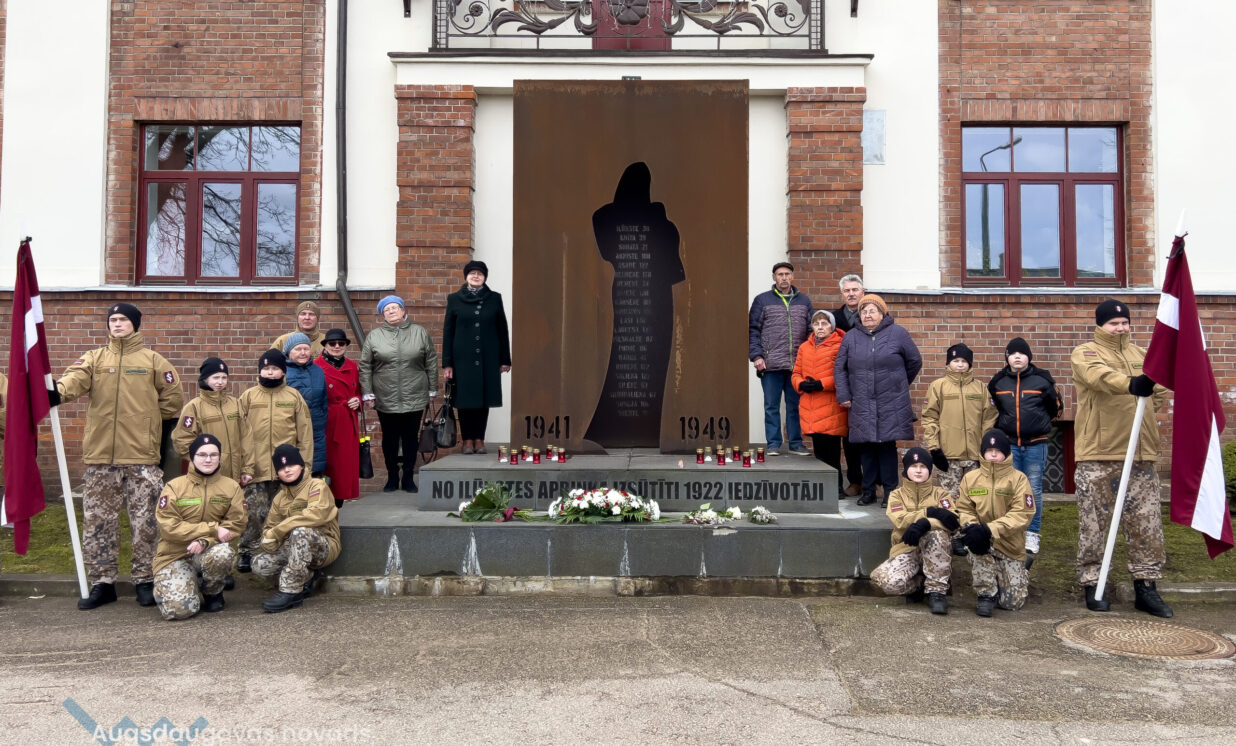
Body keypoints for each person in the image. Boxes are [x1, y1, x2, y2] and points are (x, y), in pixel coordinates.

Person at [54, 303, 184, 610]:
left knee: (146, 522)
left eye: (123, 319)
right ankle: (103, 582)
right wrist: (57, 392)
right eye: (112, 319)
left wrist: (147, 424)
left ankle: (145, 579)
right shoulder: (95, 358)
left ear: (135, 324)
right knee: (99, 521)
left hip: (141, 456)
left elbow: (172, 399)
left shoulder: (153, 361)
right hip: (101, 457)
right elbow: (74, 379)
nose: (117, 324)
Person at [1070, 299, 1172, 617]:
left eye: (1125, 322)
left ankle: (1146, 586)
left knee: (1146, 523)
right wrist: (1132, 384)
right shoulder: (1085, 352)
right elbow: (1098, 377)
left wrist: (1148, 398)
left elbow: (1160, 390)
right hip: (1099, 453)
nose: (1120, 327)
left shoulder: (1142, 355)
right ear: (1101, 325)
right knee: (1094, 524)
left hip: (1140, 452)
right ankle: (1093, 583)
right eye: (1114, 323)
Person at [834, 294, 922, 506]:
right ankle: (869, 491)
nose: (867, 315)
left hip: (890, 400)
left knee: (886, 446)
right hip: (861, 400)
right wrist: (844, 395)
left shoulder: (898, 333)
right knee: (866, 447)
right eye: (864, 312)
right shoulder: (851, 337)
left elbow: (914, 361)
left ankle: (890, 491)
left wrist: (899, 383)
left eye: (872, 311)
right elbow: (840, 368)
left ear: (882, 314)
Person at [151, 434, 246, 620]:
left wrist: (205, 541)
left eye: (213, 455)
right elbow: (169, 527)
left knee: (222, 554)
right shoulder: (174, 487)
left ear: (220, 457)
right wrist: (212, 529)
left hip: (209, 551)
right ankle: (184, 583)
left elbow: (236, 524)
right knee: (180, 611)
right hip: (175, 555)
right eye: (202, 455)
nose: (208, 459)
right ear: (192, 457)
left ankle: (212, 591)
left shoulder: (232, 487)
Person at [237, 349, 312, 574]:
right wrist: (242, 465)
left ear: (283, 371)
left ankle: (280, 551)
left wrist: (305, 467)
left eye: (275, 369)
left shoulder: (293, 397)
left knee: (284, 512)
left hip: (286, 468)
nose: (270, 373)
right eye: (266, 369)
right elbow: (238, 431)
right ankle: (247, 550)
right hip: (255, 467)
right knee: (254, 512)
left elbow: (305, 434)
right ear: (260, 371)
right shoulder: (249, 397)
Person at [989, 337, 1062, 568]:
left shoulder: (1042, 380)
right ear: (1007, 358)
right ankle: (1011, 531)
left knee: (1033, 490)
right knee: (1009, 489)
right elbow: (996, 410)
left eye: (1022, 353)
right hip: (1010, 445)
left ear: (1029, 357)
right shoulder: (998, 382)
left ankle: (1032, 533)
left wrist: (1038, 423)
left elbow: (1054, 408)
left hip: (1035, 444)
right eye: (1013, 354)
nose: (1017, 357)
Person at [362, 295, 439, 491]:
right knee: (390, 438)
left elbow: (431, 361)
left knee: (410, 437)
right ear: (383, 315)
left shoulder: (419, 332)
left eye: (395, 307)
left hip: (415, 393)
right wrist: (368, 393)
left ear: (403, 310)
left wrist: (432, 389)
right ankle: (392, 477)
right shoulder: (375, 336)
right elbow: (365, 365)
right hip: (385, 394)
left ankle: (408, 477)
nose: (391, 311)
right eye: (386, 310)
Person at [869, 447, 959, 615]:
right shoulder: (896, 495)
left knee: (937, 534)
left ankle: (937, 592)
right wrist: (929, 512)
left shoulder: (941, 494)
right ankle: (919, 585)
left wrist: (926, 523)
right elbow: (900, 519)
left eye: (923, 467)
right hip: (907, 548)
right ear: (906, 469)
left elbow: (953, 521)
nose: (918, 470)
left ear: (929, 470)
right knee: (883, 580)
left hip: (935, 551)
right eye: (914, 466)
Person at [252, 444, 341, 613]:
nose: (287, 470)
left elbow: (316, 515)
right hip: (293, 546)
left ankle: (291, 592)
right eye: (281, 468)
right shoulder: (279, 498)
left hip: (324, 545)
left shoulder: (316, 486)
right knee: (259, 564)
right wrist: (269, 540)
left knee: (300, 531)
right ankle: (306, 576)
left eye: (291, 465)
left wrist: (279, 530)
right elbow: (270, 528)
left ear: (301, 465)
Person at [956, 429, 1035, 617]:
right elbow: (963, 508)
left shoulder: (1019, 479)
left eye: (998, 451)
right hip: (980, 540)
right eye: (989, 450)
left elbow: (1022, 513)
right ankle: (985, 594)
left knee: (1011, 603)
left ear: (1006, 453)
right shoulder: (970, 478)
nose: (993, 455)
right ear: (982, 453)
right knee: (978, 548)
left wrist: (990, 529)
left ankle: (1021, 569)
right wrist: (972, 527)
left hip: (1009, 544)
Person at [442, 261, 511, 455]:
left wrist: (505, 359)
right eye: (472, 273)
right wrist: (447, 363)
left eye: (480, 274)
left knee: (483, 400)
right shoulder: (454, 299)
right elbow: (448, 332)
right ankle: (467, 440)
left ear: (485, 277)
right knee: (464, 400)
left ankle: (479, 439)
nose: (476, 276)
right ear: (466, 276)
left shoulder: (494, 298)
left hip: (488, 358)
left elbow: (502, 329)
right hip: (462, 359)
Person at [748, 262, 813, 456]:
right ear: (774, 277)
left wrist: (808, 359)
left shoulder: (804, 301)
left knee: (795, 406)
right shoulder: (762, 300)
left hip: (796, 366)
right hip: (770, 364)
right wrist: (757, 356)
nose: (784, 277)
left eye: (787, 274)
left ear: (792, 276)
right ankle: (774, 444)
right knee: (771, 406)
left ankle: (796, 443)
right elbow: (752, 330)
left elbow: (811, 331)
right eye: (780, 274)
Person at [921, 343, 997, 499]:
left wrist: (986, 447)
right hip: (949, 457)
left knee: (975, 498)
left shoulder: (980, 388)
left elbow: (989, 418)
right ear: (948, 363)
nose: (960, 365)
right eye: (956, 361)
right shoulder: (938, 387)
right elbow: (930, 418)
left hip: (975, 457)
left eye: (964, 361)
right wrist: (935, 449)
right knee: (950, 499)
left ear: (970, 364)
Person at [790, 310, 847, 496]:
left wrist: (822, 384)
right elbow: (796, 372)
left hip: (831, 405)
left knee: (832, 452)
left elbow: (844, 374)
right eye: (816, 324)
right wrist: (800, 384)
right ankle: (824, 490)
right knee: (819, 451)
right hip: (811, 406)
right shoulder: (804, 347)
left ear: (832, 326)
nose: (820, 327)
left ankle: (836, 488)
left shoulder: (840, 345)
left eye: (824, 323)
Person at [172, 358, 248, 483]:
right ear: (205, 379)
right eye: (216, 377)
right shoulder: (194, 407)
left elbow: (246, 437)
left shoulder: (235, 404)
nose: (220, 382)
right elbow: (181, 440)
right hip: (206, 477)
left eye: (224, 378)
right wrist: (201, 462)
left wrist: (247, 468)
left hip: (235, 476)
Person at [316, 328, 363, 506]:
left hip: (347, 421)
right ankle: (327, 504)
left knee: (345, 466)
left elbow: (358, 391)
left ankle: (340, 501)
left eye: (341, 343)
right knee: (330, 464)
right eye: (332, 343)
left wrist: (358, 401)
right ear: (325, 346)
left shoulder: (352, 366)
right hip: (328, 421)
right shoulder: (316, 365)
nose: (337, 346)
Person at [832, 274, 866, 495]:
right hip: (844, 383)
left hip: (869, 383)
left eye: (855, 290)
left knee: (872, 437)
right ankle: (855, 481)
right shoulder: (834, 319)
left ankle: (874, 482)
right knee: (849, 436)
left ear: (863, 292)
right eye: (847, 291)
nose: (851, 294)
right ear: (842, 294)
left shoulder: (874, 315)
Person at [284, 333, 328, 476]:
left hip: (316, 430)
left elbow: (324, 402)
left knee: (314, 470)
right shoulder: (282, 371)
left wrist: (321, 421)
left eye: (306, 349)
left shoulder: (318, 371)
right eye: (298, 349)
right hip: (290, 429)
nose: (303, 353)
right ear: (288, 351)